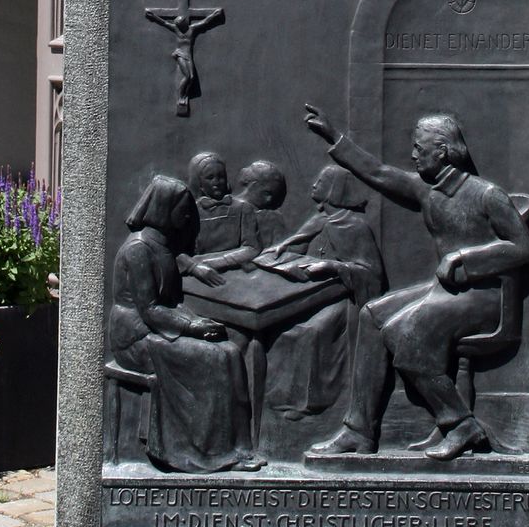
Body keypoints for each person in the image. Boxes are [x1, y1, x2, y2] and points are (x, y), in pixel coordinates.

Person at [304, 108, 529, 461]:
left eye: (419, 147)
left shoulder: (486, 194)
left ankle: (461, 425)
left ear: (441, 151)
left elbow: (523, 248)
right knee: (372, 315)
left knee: (406, 334)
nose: (413, 155)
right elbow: (378, 172)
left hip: (484, 299)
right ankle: (358, 431)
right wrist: (334, 137)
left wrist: (464, 259)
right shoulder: (427, 189)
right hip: (447, 292)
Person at [106, 174, 261, 472]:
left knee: (230, 352)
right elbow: (150, 309)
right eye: (183, 210)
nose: (188, 216)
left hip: (158, 328)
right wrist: (192, 327)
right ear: (164, 209)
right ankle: (206, 452)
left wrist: (197, 320)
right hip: (136, 338)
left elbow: (171, 299)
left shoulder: (162, 246)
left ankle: (240, 447)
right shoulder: (138, 249)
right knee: (212, 359)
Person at [258, 166, 385, 418]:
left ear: (333, 190)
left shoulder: (355, 227)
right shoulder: (320, 220)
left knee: (309, 332)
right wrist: (282, 249)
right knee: (282, 330)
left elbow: (372, 275)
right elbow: (301, 242)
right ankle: (280, 397)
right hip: (312, 295)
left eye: (321, 181)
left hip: (344, 300)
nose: (314, 184)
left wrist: (333, 267)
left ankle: (308, 402)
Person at [183, 151, 261, 279]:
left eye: (221, 177)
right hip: (200, 278)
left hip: (238, 276)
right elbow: (179, 252)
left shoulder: (243, 208)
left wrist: (208, 262)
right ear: (199, 182)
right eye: (210, 177)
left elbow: (252, 248)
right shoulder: (191, 212)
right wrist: (194, 266)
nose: (217, 182)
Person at [236, 160, 288, 248]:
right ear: (253, 185)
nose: (269, 199)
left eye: (274, 195)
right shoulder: (226, 209)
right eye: (266, 193)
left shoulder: (273, 219)